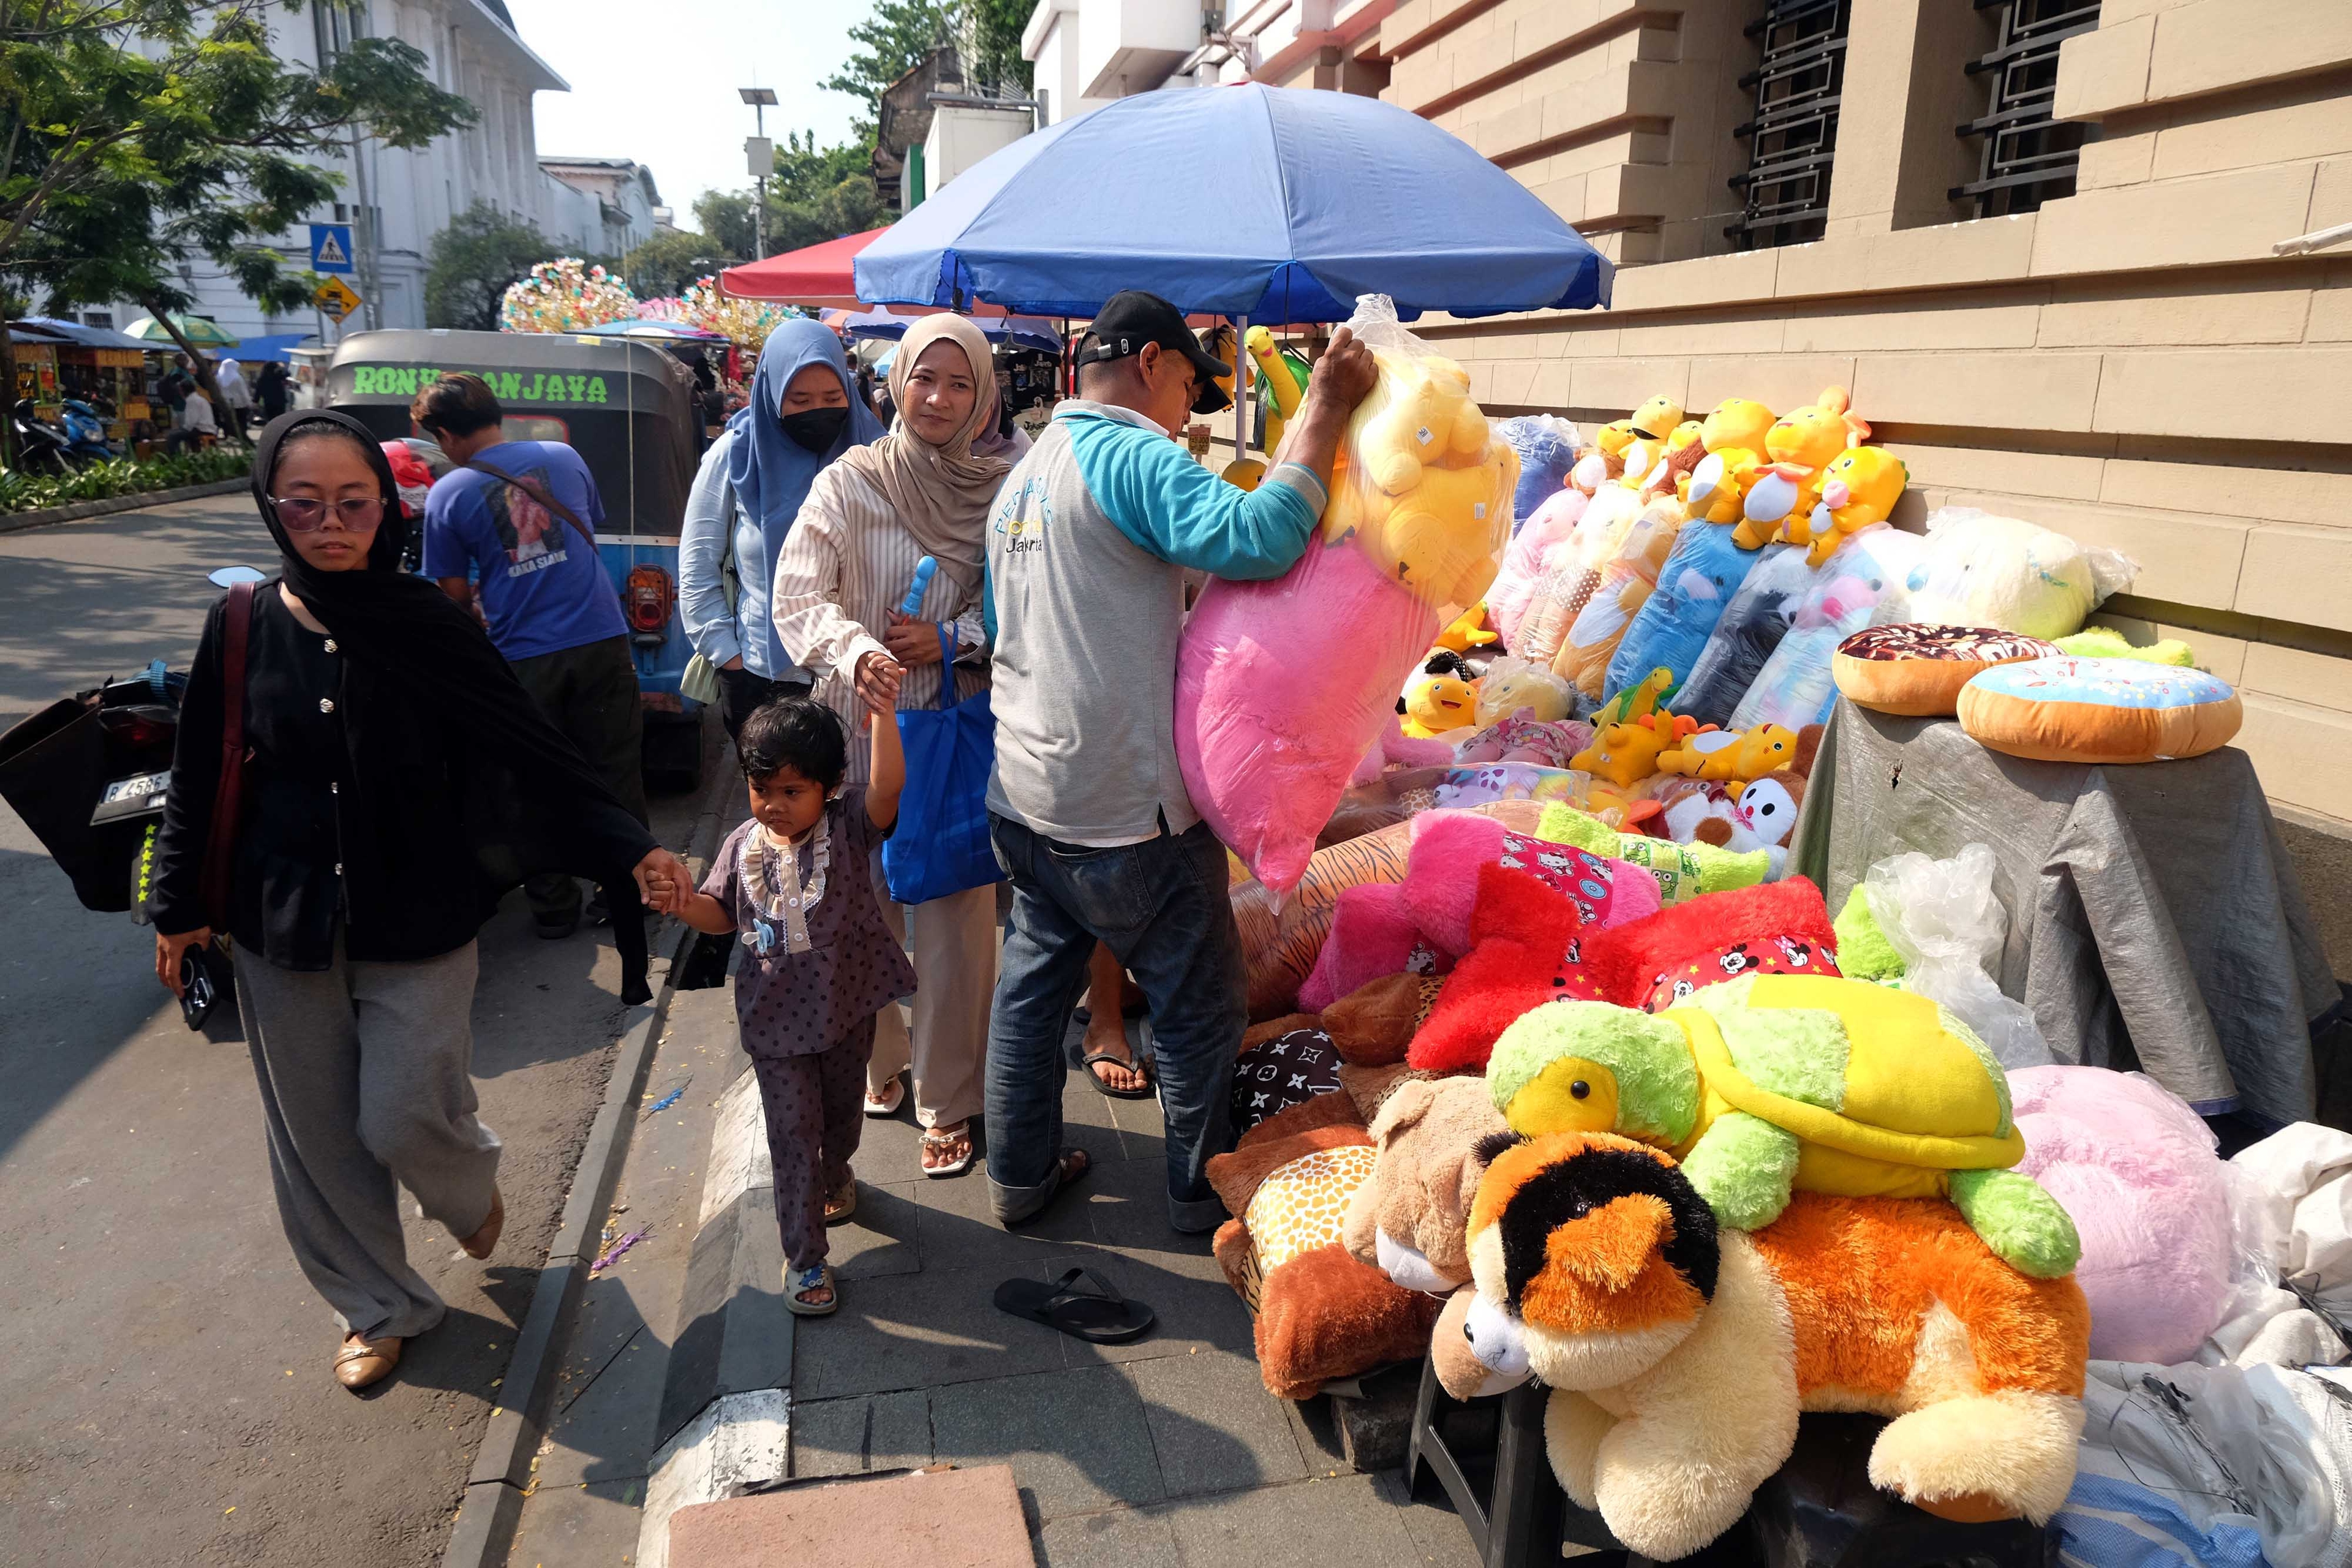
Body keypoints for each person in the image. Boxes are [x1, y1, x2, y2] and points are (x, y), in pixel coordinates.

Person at [148, 410, 690, 1390]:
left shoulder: (429, 624)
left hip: (421, 913)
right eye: (302, 504)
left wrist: (631, 849)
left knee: (402, 1114)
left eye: (353, 502)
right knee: (316, 1136)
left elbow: (530, 745)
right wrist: (178, 905)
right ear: (272, 509)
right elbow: (199, 771)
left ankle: (462, 1185)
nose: (329, 522)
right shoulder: (241, 623)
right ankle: (379, 1305)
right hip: (282, 916)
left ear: (386, 507)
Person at [981, 289, 1377, 1231]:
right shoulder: (1127, 450)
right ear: (1153, 364)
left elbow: (1010, 627)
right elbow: (1260, 538)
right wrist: (1321, 411)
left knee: (1033, 995)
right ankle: (1203, 1199)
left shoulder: (1025, 474)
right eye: (1190, 389)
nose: (1186, 416)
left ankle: (1019, 1179)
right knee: (1201, 1007)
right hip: (1125, 812)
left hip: (1028, 794)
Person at [771, 315, 1024, 1178]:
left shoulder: (1009, 485)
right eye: (925, 379)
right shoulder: (853, 480)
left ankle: (950, 1098)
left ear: (985, 392)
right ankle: (882, 1062)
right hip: (856, 730)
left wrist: (952, 638)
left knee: (956, 917)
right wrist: (859, 650)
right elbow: (797, 596)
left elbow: (1026, 601)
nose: (939, 399)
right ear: (895, 383)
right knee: (859, 905)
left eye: (960, 383)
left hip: (954, 729)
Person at [651, 696, 912, 1315]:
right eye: (761, 787)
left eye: (792, 790)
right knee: (793, 1135)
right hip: (775, 1022)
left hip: (847, 1008)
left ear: (829, 787)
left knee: (842, 1118)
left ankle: (838, 1171)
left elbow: (891, 786)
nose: (774, 804)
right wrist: (680, 904)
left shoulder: (848, 824)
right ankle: (805, 1257)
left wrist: (883, 714)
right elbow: (720, 912)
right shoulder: (742, 844)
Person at [413, 372, 648, 940]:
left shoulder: (449, 492)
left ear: (445, 434)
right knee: (615, 770)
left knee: (534, 783)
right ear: (498, 414)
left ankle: (554, 907)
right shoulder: (563, 457)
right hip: (601, 640)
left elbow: (450, 596)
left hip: (521, 659)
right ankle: (627, 894)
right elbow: (589, 518)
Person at [679, 320, 883, 743]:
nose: (817, 411)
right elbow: (697, 567)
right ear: (772, 394)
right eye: (800, 398)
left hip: (857, 673)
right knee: (781, 808)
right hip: (762, 678)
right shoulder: (734, 456)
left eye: (832, 397)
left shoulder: (875, 452)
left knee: (858, 805)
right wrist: (727, 659)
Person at [162, 380, 217, 454]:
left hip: (201, 429)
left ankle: (175, 458)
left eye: (181, 391)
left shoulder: (192, 400)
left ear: (184, 391)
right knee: (175, 433)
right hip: (207, 428)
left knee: (172, 436)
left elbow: (191, 422)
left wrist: (183, 429)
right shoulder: (200, 399)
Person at [216, 356, 254, 442]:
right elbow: (243, 392)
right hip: (240, 404)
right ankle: (243, 438)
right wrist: (249, 403)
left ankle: (230, 436)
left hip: (226, 404)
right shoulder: (237, 378)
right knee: (241, 422)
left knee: (229, 422)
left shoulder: (218, 378)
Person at [255, 359, 292, 423]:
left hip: (268, 403)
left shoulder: (262, 378)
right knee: (280, 420)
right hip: (280, 402)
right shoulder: (278, 376)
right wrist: (282, 367)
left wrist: (256, 401)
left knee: (271, 420)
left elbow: (258, 391)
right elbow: (288, 374)